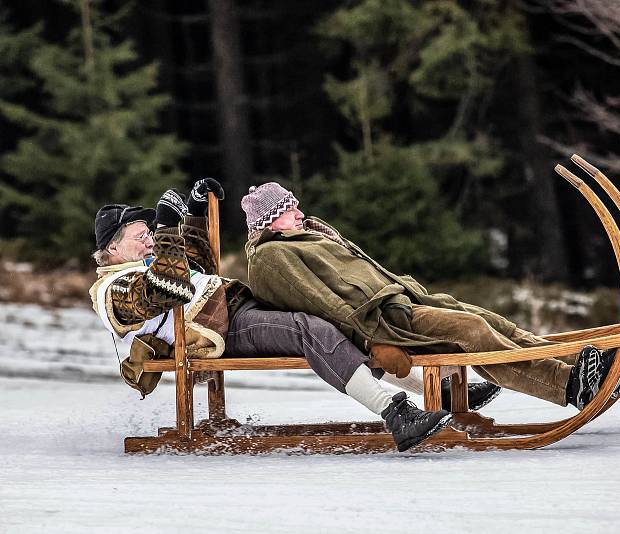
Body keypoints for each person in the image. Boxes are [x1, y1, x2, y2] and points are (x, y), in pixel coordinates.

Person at [88, 179, 471, 452]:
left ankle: (439, 391)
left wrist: (193, 216)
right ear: (113, 248)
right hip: (222, 331)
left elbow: (198, 270)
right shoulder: (113, 290)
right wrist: (169, 230)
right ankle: (396, 415)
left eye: (150, 232)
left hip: (236, 308)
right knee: (310, 329)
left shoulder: (153, 260)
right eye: (141, 235)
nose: (150, 239)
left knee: (333, 317)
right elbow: (170, 289)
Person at [241, 182, 618, 411]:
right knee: (472, 332)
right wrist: (371, 340)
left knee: (491, 321)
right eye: (290, 210)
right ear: (269, 220)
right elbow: (320, 304)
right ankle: (568, 385)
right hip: (384, 321)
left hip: (403, 301)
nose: (300, 213)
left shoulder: (304, 237)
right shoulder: (273, 257)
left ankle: (584, 364)